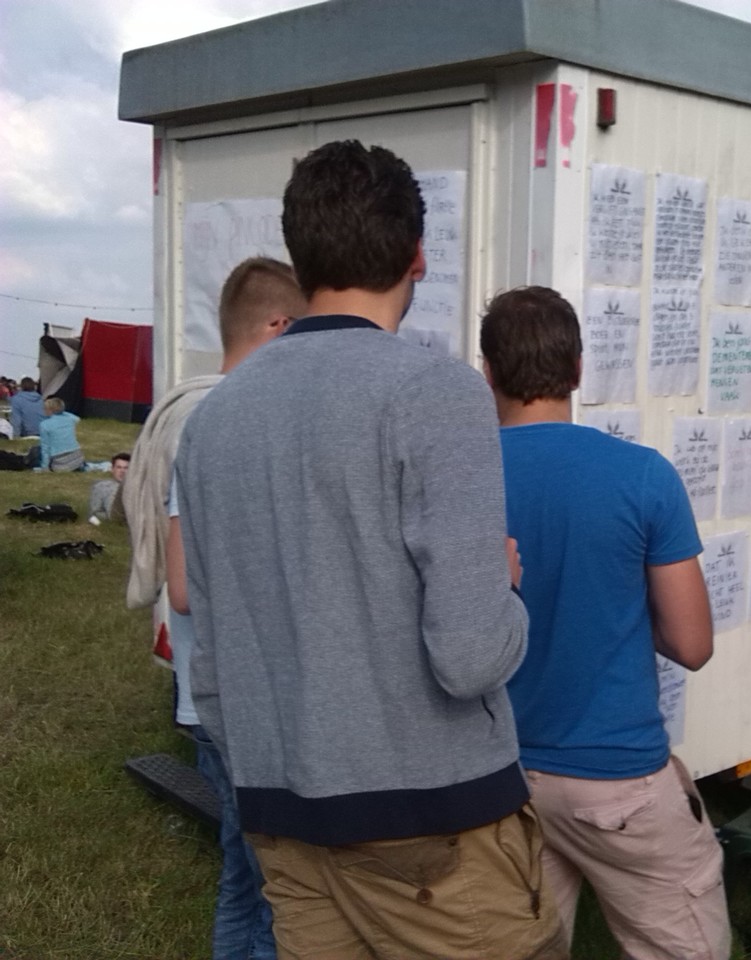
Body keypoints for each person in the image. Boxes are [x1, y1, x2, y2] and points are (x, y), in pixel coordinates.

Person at [174, 140, 564, 960]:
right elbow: (469, 658)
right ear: (417, 254)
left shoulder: (214, 420)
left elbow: (211, 653)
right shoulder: (436, 391)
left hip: (281, 810)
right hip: (432, 824)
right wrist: (505, 591)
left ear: (301, 257)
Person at [480, 287, 729, 960]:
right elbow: (692, 643)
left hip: (499, 772)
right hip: (617, 777)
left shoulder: (460, 480)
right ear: (578, 369)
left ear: (489, 372)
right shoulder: (642, 476)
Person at [128, 257, 303, 960]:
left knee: (242, 872)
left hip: (206, 696)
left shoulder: (199, 411)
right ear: (279, 327)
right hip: (240, 700)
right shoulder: (229, 420)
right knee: (275, 885)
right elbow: (185, 587)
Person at [38, 397, 83, 471]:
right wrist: (61, 412)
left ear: (50, 410)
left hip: (59, 461)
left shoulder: (44, 424)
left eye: (45, 408)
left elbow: (45, 448)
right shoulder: (70, 419)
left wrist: (44, 467)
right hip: (77, 457)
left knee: (36, 452)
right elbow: (77, 419)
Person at [88, 452, 131, 524]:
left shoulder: (139, 489)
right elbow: (93, 514)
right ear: (112, 469)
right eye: (119, 467)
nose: (122, 471)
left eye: (126, 468)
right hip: (112, 518)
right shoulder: (101, 487)